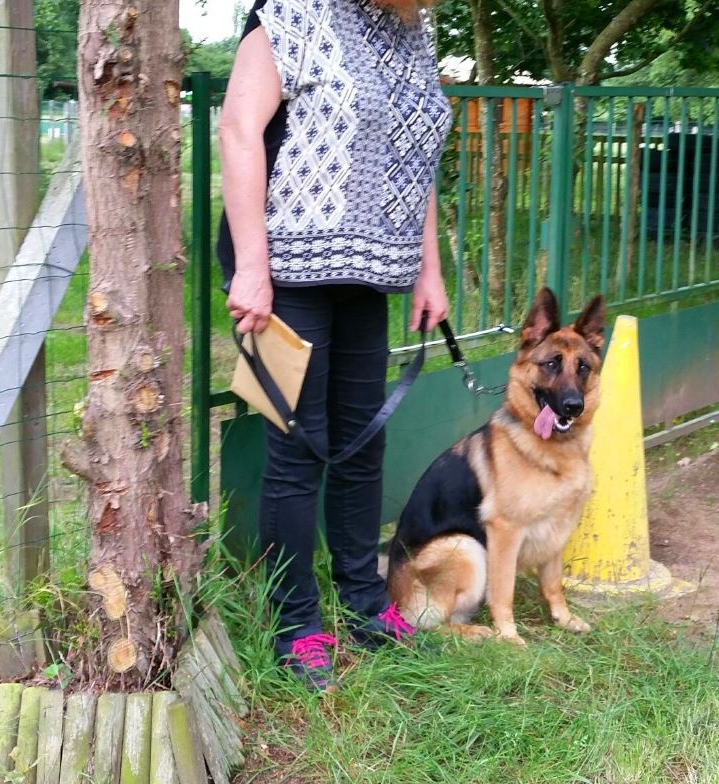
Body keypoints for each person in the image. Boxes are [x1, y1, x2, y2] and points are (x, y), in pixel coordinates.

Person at [217, 0, 451, 690]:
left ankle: (365, 605)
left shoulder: (415, 29)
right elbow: (237, 129)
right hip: (289, 276)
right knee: (296, 451)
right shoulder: (290, 13)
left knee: (361, 444)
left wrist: (427, 269)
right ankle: (295, 627)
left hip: (370, 276)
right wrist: (253, 267)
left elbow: (417, 161)